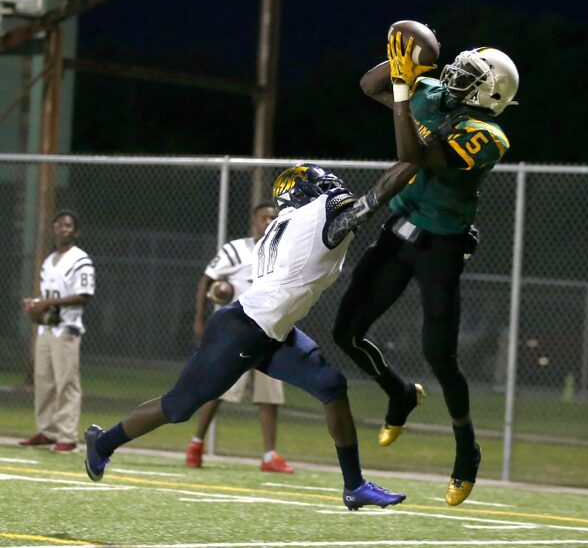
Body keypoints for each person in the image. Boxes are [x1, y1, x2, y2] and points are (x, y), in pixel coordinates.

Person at [85, 161, 419, 511]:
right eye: (322, 184)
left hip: (271, 330)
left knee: (332, 386)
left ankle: (354, 486)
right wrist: (418, 157)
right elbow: (379, 193)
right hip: (242, 331)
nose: (332, 188)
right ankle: (103, 443)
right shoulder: (319, 214)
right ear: (304, 193)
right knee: (178, 406)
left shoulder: (284, 224)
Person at [332, 33, 519, 506]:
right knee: (346, 331)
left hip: (442, 246)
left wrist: (402, 90)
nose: (454, 76)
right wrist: (400, 60)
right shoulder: (435, 93)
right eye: (459, 67)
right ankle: (399, 394)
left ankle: (466, 450)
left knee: (440, 356)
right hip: (402, 230)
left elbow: (414, 156)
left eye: (470, 76)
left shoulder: (489, 136)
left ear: (489, 93)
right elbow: (368, 85)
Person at [186, 202, 293, 474]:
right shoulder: (236, 249)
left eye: (273, 217)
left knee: (269, 395)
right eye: (264, 217)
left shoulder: (285, 252)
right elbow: (208, 281)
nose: (269, 221)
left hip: (270, 330)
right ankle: (196, 444)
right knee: (218, 388)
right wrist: (201, 317)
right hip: (236, 332)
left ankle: (269, 455)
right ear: (254, 221)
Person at [20, 210, 95, 453]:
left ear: (76, 231)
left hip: (67, 327)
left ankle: (67, 435)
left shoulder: (80, 259)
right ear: (53, 229)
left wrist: (48, 304)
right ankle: (48, 430)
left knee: (66, 382)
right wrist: (34, 304)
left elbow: (84, 295)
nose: (64, 229)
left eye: (69, 225)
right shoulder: (49, 260)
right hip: (46, 328)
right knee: (43, 381)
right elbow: (48, 297)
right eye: (60, 225)